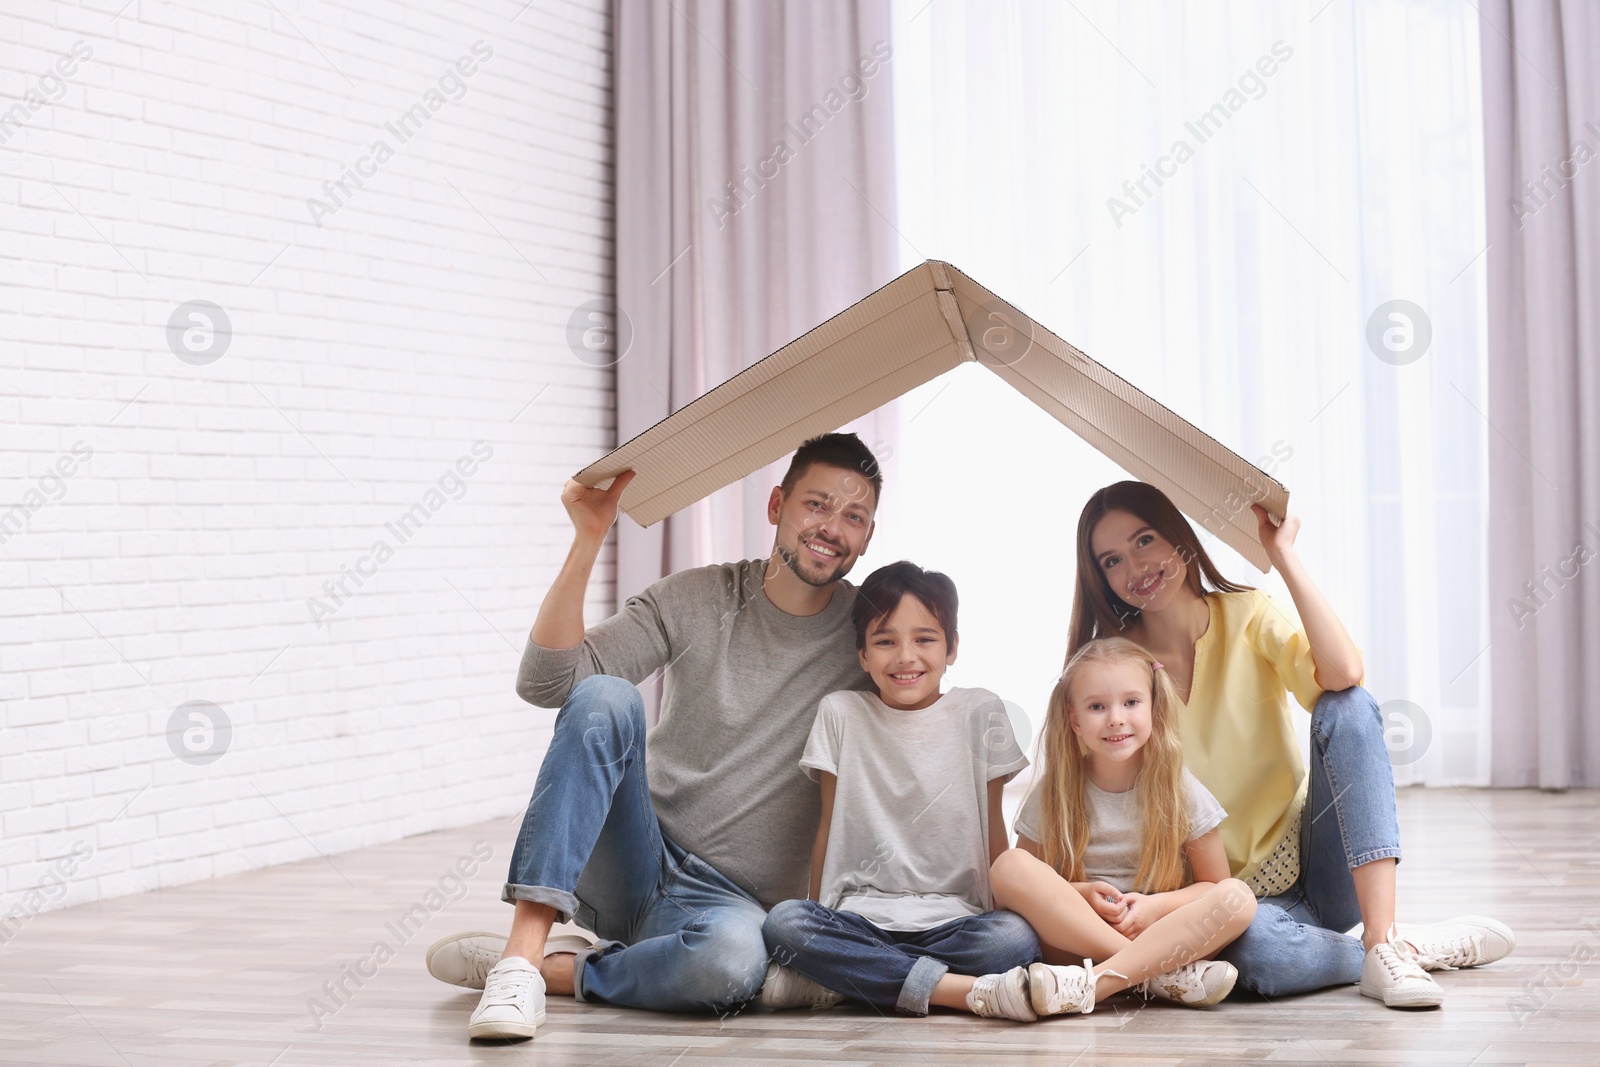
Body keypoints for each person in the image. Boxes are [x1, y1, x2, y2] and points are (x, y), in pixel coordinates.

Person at [425, 433, 885, 1040]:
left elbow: (925, 713)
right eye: (817, 505)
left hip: (729, 910)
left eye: (854, 516)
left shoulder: (869, 637)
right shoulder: (696, 596)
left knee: (730, 967)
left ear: (868, 537)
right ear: (776, 505)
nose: (832, 527)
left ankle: (562, 970)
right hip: (635, 856)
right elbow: (546, 682)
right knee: (604, 697)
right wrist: (589, 539)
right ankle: (518, 960)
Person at [1067, 481, 1515, 1007]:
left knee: (1347, 705)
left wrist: (1284, 556)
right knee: (1255, 957)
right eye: (1113, 560)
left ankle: (1382, 937)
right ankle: (1400, 951)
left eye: (1144, 541)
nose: (1135, 568)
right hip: (1213, 900)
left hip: (1317, 860)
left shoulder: (1248, 614)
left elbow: (1345, 672)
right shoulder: (1112, 671)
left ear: (1177, 536)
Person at [760, 561, 1044, 1019]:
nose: (906, 656)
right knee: (786, 923)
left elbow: (994, 824)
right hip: (859, 921)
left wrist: (1003, 907)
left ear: (952, 648)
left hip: (957, 920)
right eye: (885, 641)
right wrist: (818, 910)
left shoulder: (980, 710)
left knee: (1014, 939)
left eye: (925, 639)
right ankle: (953, 990)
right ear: (862, 655)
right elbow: (828, 822)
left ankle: (850, 982)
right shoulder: (841, 713)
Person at [988, 636, 1258, 1016]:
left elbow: (1213, 884)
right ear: (1074, 720)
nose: (1116, 717)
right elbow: (1015, 888)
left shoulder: (1180, 789)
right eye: (1097, 706)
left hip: (1162, 935)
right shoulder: (1056, 791)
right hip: (1078, 945)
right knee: (1007, 866)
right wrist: (1081, 894)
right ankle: (1153, 977)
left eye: (1131, 702)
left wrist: (1155, 907)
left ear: (1154, 708)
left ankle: (1097, 985)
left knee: (1238, 897)